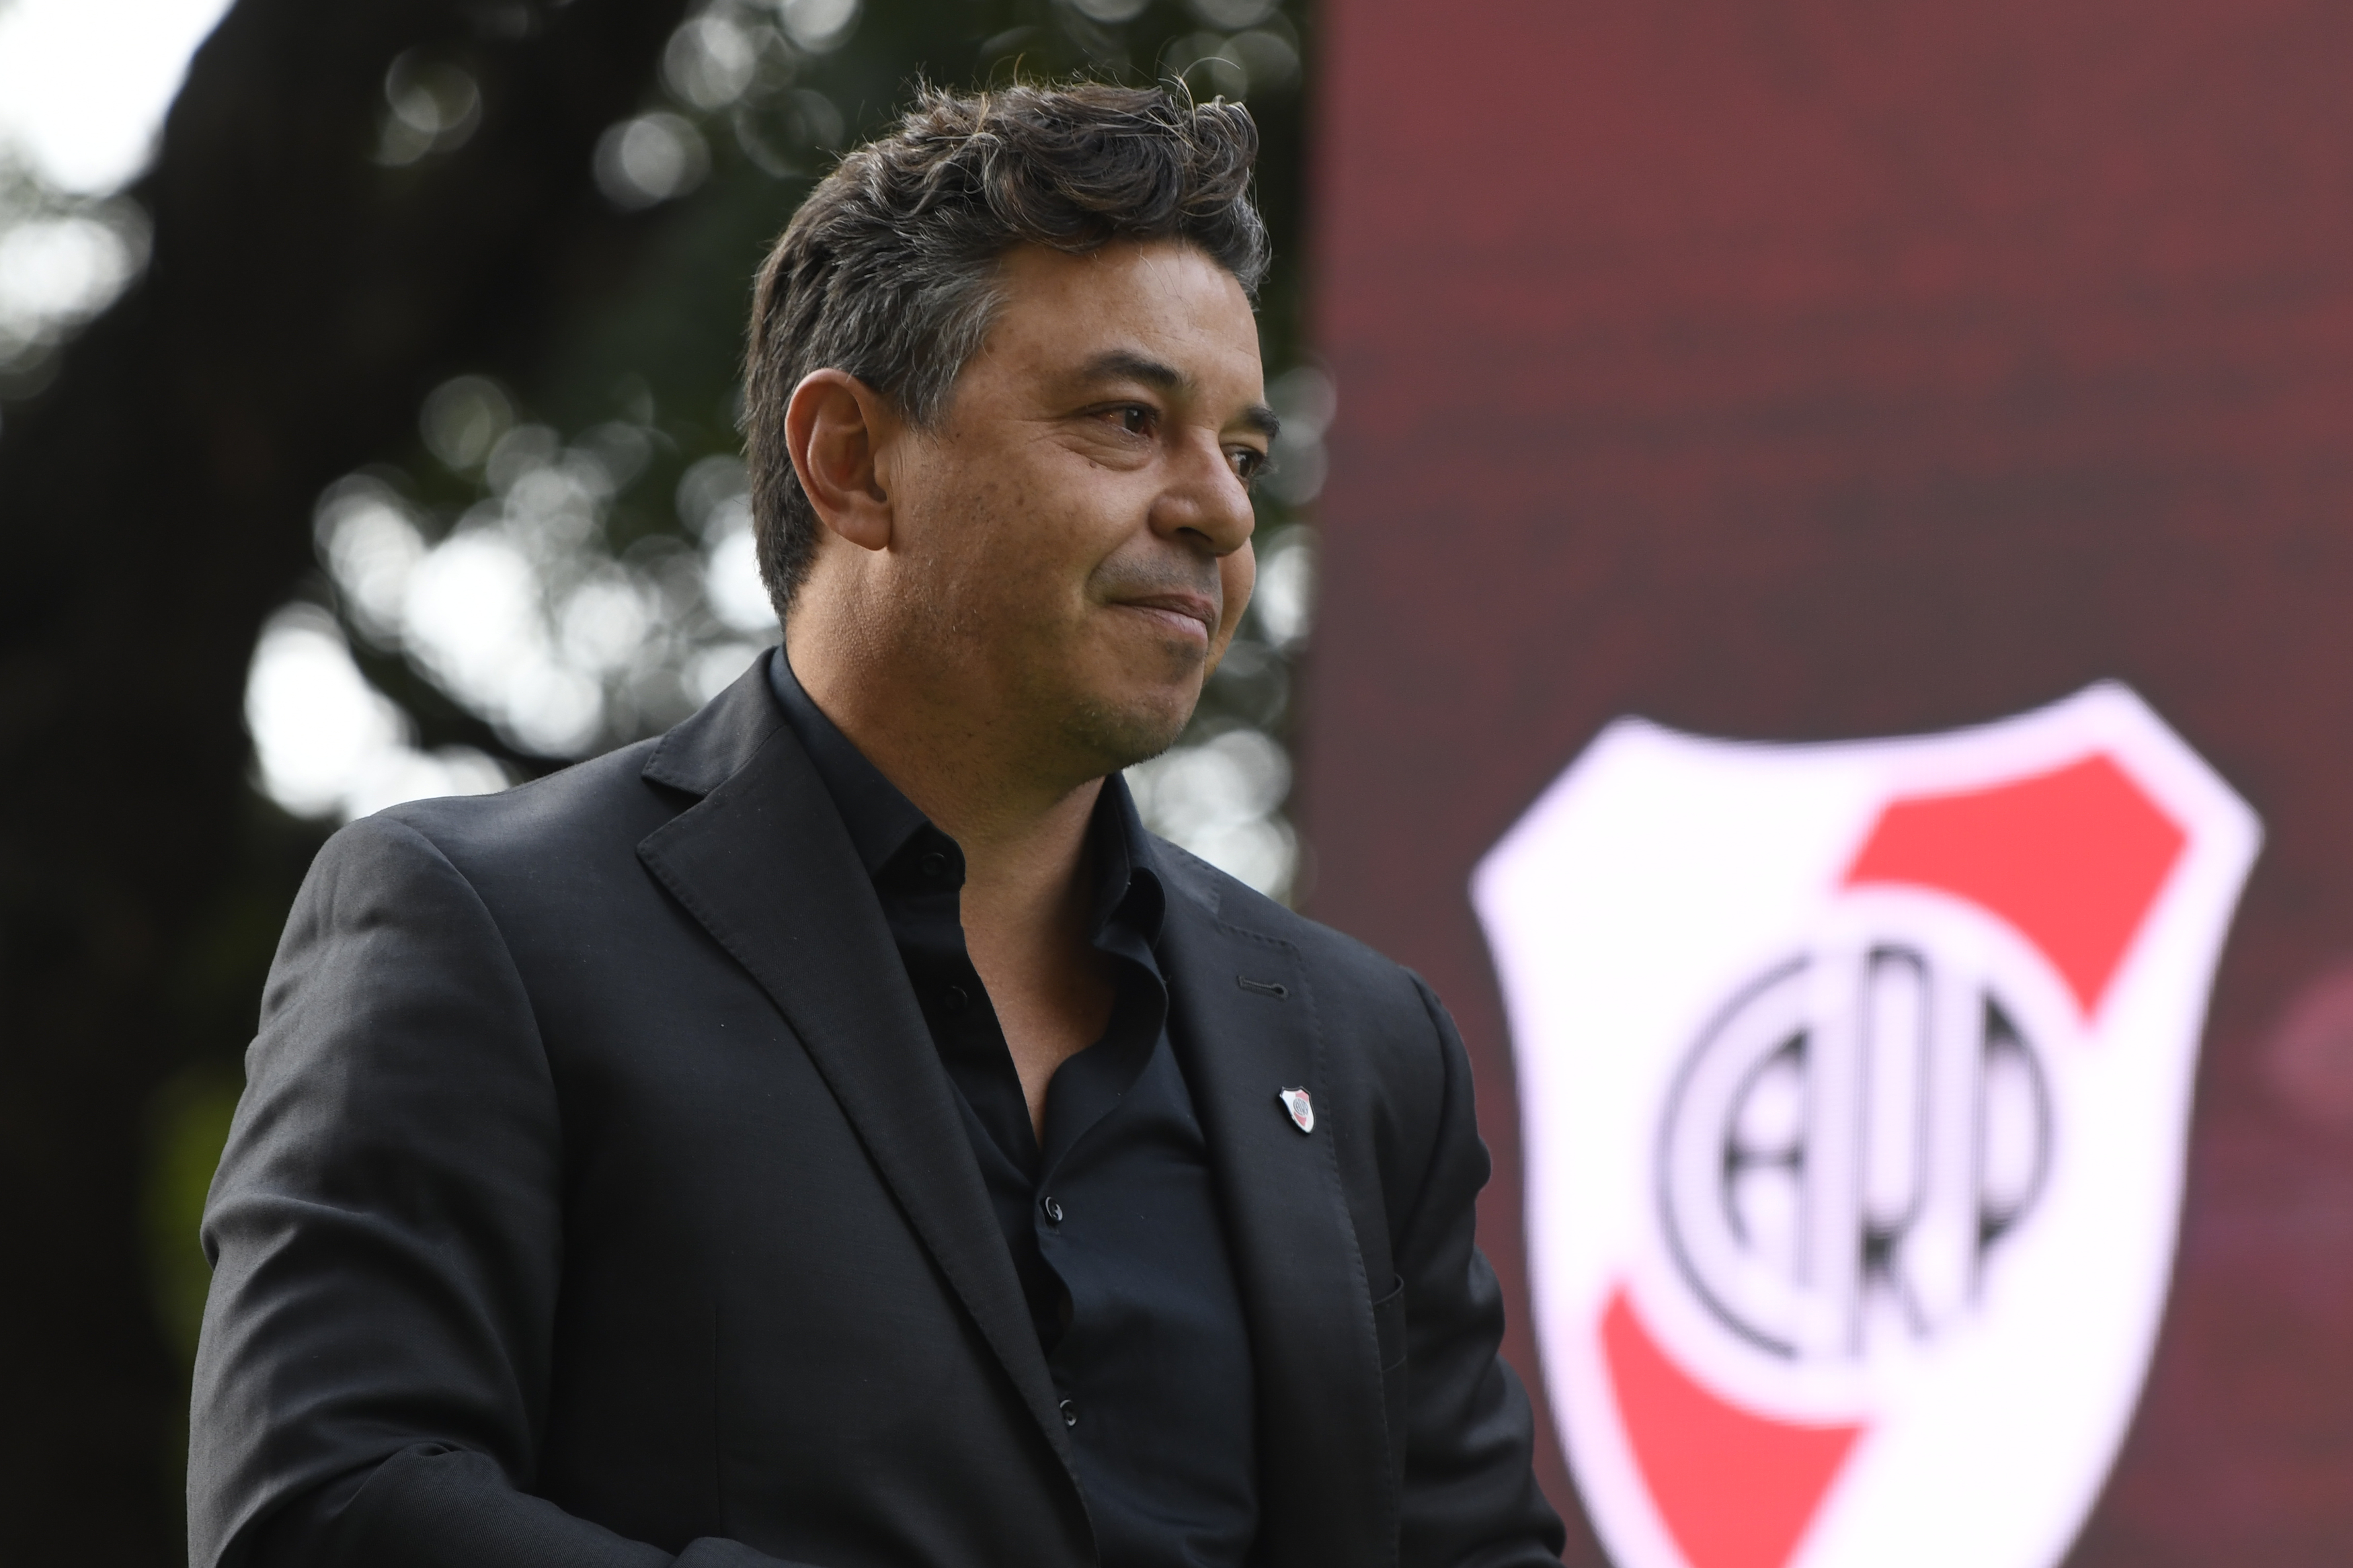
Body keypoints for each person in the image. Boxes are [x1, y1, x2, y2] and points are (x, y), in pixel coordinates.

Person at [190, 82, 1565, 1568]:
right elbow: (324, 1510)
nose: (1222, 517)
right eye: (1127, 420)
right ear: (852, 461)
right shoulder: (479, 927)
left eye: (1238, 451)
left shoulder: (1367, 1049)